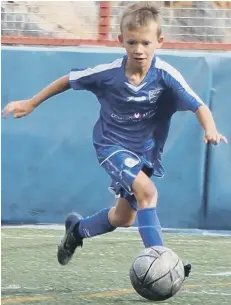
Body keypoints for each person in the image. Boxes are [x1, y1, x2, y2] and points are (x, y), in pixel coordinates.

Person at [3, 2, 228, 277]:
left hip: (145, 154)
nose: (139, 49)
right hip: (111, 146)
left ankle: (77, 230)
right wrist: (32, 102)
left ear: (159, 41)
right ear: (121, 41)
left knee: (123, 218)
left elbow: (199, 105)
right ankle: (163, 261)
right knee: (148, 193)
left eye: (146, 42)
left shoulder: (166, 76)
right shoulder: (108, 73)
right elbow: (67, 80)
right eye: (132, 42)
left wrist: (210, 129)